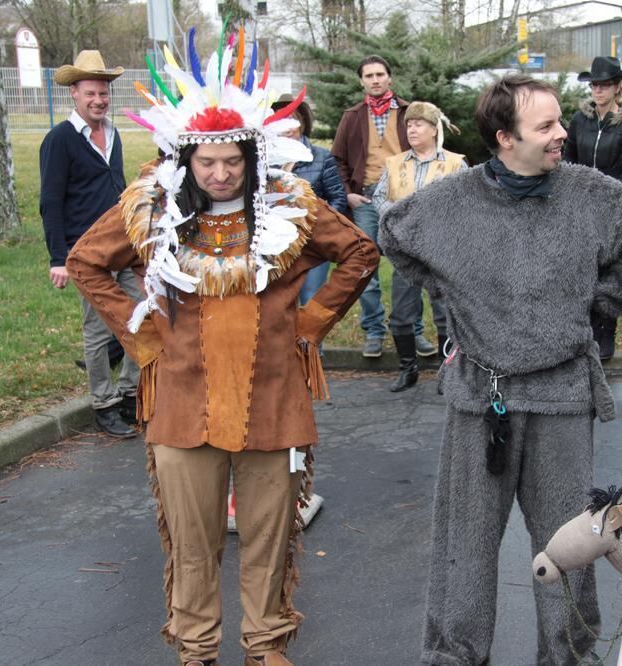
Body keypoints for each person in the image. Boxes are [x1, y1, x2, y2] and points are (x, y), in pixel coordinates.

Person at [66, 33, 379, 666]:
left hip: (274, 403)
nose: (219, 173)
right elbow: (86, 263)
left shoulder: (291, 204)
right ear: (186, 157)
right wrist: (143, 337)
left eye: (231, 160)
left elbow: (359, 253)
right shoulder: (150, 207)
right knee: (192, 541)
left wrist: (312, 324)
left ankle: (265, 647)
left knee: (269, 538)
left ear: (249, 156)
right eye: (206, 161)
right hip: (181, 408)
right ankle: (196, 650)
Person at [380, 74, 622, 665]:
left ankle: (570, 657)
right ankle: (453, 657)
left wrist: (598, 297)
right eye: (545, 126)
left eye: (558, 123)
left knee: (571, 543)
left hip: (562, 396)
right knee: (464, 545)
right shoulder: (451, 200)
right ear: (503, 138)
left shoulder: (591, 193)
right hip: (478, 397)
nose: (560, 135)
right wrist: (453, 290)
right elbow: (394, 232)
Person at [39, 50, 140, 437]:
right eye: (90, 94)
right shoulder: (60, 140)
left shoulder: (112, 134)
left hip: (124, 246)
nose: (98, 100)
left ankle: (131, 393)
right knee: (98, 330)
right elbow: (50, 202)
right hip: (86, 253)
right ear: (75, 94)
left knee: (140, 315)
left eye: (103, 93)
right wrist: (58, 257)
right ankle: (104, 403)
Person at [331, 56, 435, 359]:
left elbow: (429, 147)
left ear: (389, 78)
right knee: (366, 267)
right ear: (361, 81)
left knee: (408, 267)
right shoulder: (352, 116)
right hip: (364, 199)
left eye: (380, 74)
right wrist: (348, 193)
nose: (375, 80)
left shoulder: (408, 113)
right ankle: (374, 331)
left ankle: (412, 330)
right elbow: (337, 159)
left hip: (403, 199)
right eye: (369, 76)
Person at [371, 101, 467, 392]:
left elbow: (465, 203)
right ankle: (407, 369)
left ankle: (446, 372)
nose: (412, 129)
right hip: (404, 251)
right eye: (409, 124)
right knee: (401, 312)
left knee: (444, 313)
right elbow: (378, 198)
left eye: (418, 124)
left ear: (433, 128)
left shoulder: (455, 164)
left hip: (441, 252)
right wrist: (400, 217)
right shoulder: (395, 163)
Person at [565, 56, 622, 362]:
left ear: (617, 88)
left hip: (613, 204)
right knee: (581, 266)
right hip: (581, 203)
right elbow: (568, 156)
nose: (598, 91)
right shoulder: (580, 120)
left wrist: (618, 185)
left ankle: (606, 330)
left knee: (608, 267)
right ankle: (582, 330)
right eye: (594, 85)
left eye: (604, 85)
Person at [271, 95, 348, 307]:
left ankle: (310, 342)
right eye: (281, 122)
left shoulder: (321, 157)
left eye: (293, 122)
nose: (288, 128)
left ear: (302, 124)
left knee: (311, 299)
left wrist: (320, 227)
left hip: (313, 241)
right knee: (279, 302)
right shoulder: (265, 159)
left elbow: (337, 198)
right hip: (276, 243)